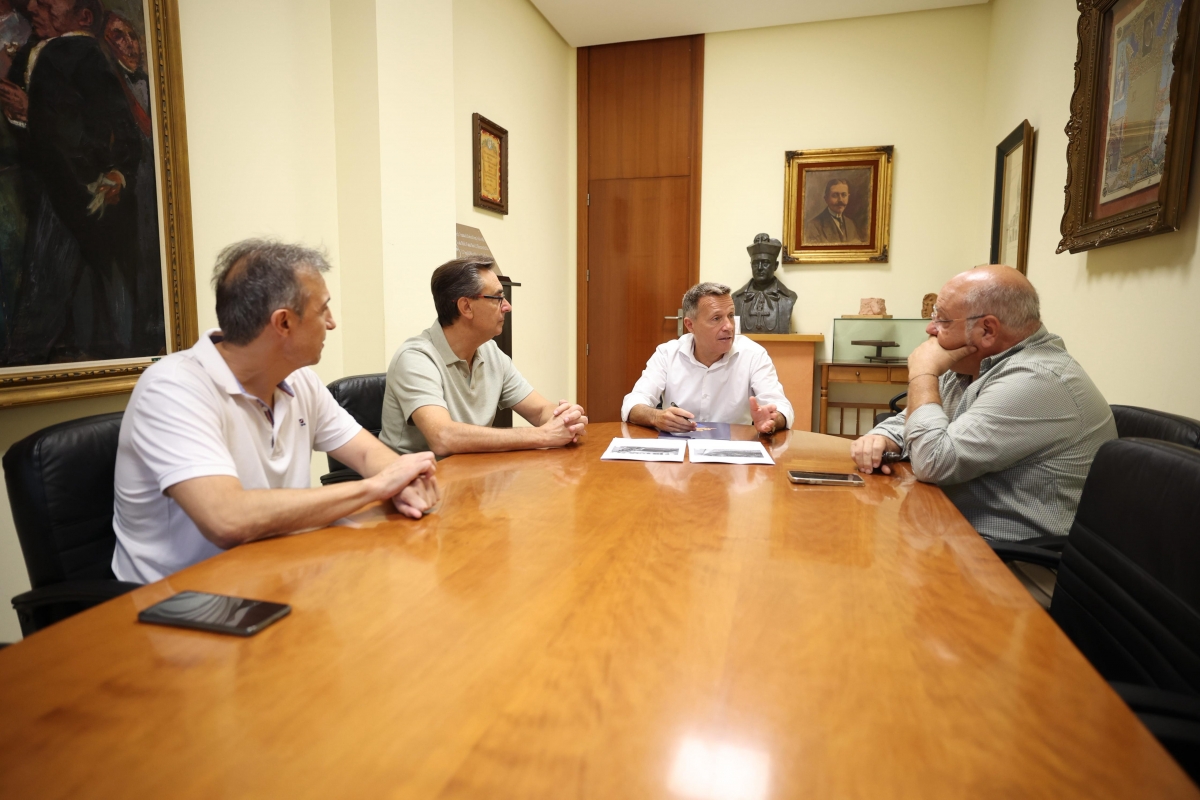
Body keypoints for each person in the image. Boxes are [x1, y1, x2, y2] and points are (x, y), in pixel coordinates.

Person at [112, 240, 440, 584]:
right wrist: (376, 487)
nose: (331, 323)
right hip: (179, 602)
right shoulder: (173, 388)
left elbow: (367, 453)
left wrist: (405, 484)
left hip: (274, 573)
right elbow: (227, 520)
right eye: (323, 310)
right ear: (283, 323)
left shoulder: (299, 381)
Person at [851, 265, 1116, 543]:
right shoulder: (975, 364)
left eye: (942, 320)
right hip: (950, 531)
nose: (930, 329)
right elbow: (913, 419)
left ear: (987, 329)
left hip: (1008, 562)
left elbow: (932, 462)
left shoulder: (1036, 379)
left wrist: (922, 373)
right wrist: (882, 438)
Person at [0, 0, 154, 364]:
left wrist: (29, 115)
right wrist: (22, 120)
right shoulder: (31, 55)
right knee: (59, 288)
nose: (33, 8)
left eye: (47, 3)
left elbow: (107, 134)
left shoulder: (85, 56)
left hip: (82, 192)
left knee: (63, 288)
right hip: (50, 189)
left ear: (82, 17)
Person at [381, 257, 588, 457]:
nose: (507, 306)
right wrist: (542, 435)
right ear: (466, 307)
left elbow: (539, 410)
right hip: (415, 485)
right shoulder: (416, 359)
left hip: (470, 478)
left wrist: (564, 418)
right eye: (498, 298)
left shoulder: (490, 352)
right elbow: (442, 437)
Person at [623, 281, 792, 434]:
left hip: (733, 455)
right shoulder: (667, 354)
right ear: (690, 325)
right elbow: (633, 403)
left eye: (731, 316)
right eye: (716, 318)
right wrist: (656, 417)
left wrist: (771, 420)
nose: (728, 326)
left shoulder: (754, 355)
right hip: (680, 455)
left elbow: (782, 408)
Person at [732, 233, 797, 334]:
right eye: (755, 263)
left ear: (775, 266)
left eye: (765, 263)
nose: (759, 267)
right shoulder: (736, 298)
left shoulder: (789, 298)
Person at [804, 178, 862, 245]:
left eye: (844, 195)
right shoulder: (813, 226)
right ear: (826, 199)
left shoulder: (850, 224)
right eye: (835, 195)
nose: (840, 200)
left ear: (848, 197)